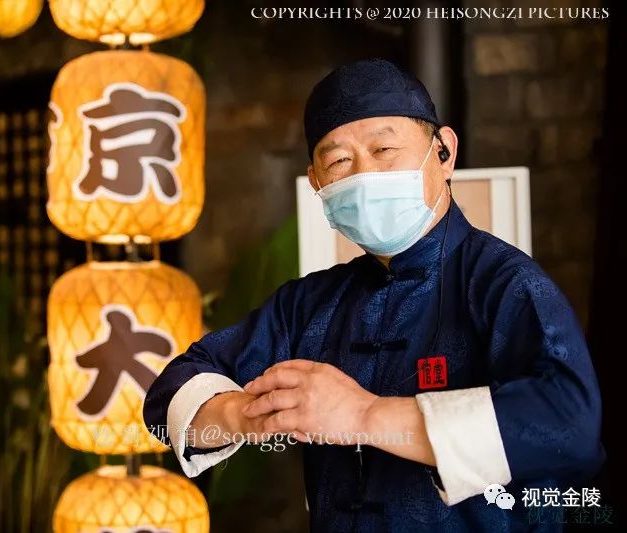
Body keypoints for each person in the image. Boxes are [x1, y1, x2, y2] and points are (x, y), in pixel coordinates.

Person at [143, 58, 604, 532]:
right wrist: (246, 416)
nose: (365, 175)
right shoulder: (309, 304)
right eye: (339, 161)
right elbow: (167, 401)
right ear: (318, 183)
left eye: (385, 148)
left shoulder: (505, 284)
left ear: (444, 152)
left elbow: (569, 425)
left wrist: (365, 414)